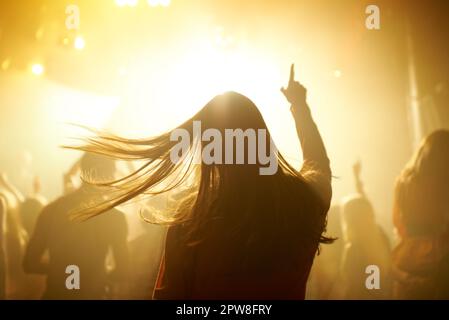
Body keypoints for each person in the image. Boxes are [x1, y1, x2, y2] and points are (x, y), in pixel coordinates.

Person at [69, 64, 332, 299]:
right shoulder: (301, 206)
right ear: (262, 141)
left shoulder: (193, 224)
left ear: (210, 152)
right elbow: (319, 164)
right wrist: (300, 107)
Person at [23, 153, 129, 299]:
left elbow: (30, 263)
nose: (115, 178)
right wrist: (98, 274)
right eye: (112, 172)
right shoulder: (114, 216)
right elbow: (124, 271)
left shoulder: (51, 210)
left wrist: (60, 268)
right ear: (103, 173)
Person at [392, 130, 449, 299]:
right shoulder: (443, 183)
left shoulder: (403, 182)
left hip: (407, 258)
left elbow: (397, 222)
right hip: (438, 261)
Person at [338, 161, 391, 299]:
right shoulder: (380, 238)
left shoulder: (354, 250)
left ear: (349, 221)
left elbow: (354, 289)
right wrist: (357, 180)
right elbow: (364, 208)